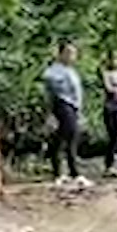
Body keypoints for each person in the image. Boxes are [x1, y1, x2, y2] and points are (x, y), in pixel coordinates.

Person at [41, 42, 87, 186]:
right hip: (62, 104)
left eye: (73, 53)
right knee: (65, 136)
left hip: (73, 106)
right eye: (68, 52)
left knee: (71, 137)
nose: (72, 56)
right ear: (60, 54)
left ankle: (70, 172)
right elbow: (48, 81)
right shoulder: (55, 69)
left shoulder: (72, 71)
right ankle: (62, 172)